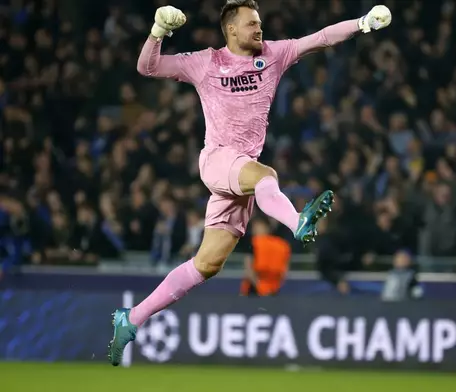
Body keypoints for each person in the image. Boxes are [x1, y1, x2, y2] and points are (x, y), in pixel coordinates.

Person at [107, 0, 392, 366]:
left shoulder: (273, 54)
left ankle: (131, 318)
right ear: (231, 29)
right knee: (267, 176)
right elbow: (146, 67)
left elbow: (320, 38)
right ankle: (297, 222)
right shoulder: (206, 62)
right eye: (252, 24)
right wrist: (159, 32)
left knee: (207, 265)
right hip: (219, 161)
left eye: (260, 23)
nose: (259, 29)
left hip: (242, 174)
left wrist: (363, 22)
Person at [240, 216, 290, 296]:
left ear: (267, 228)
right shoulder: (282, 245)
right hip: (267, 289)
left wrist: (261, 287)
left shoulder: (253, 244)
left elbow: (249, 270)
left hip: (257, 290)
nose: (255, 230)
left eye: (258, 227)